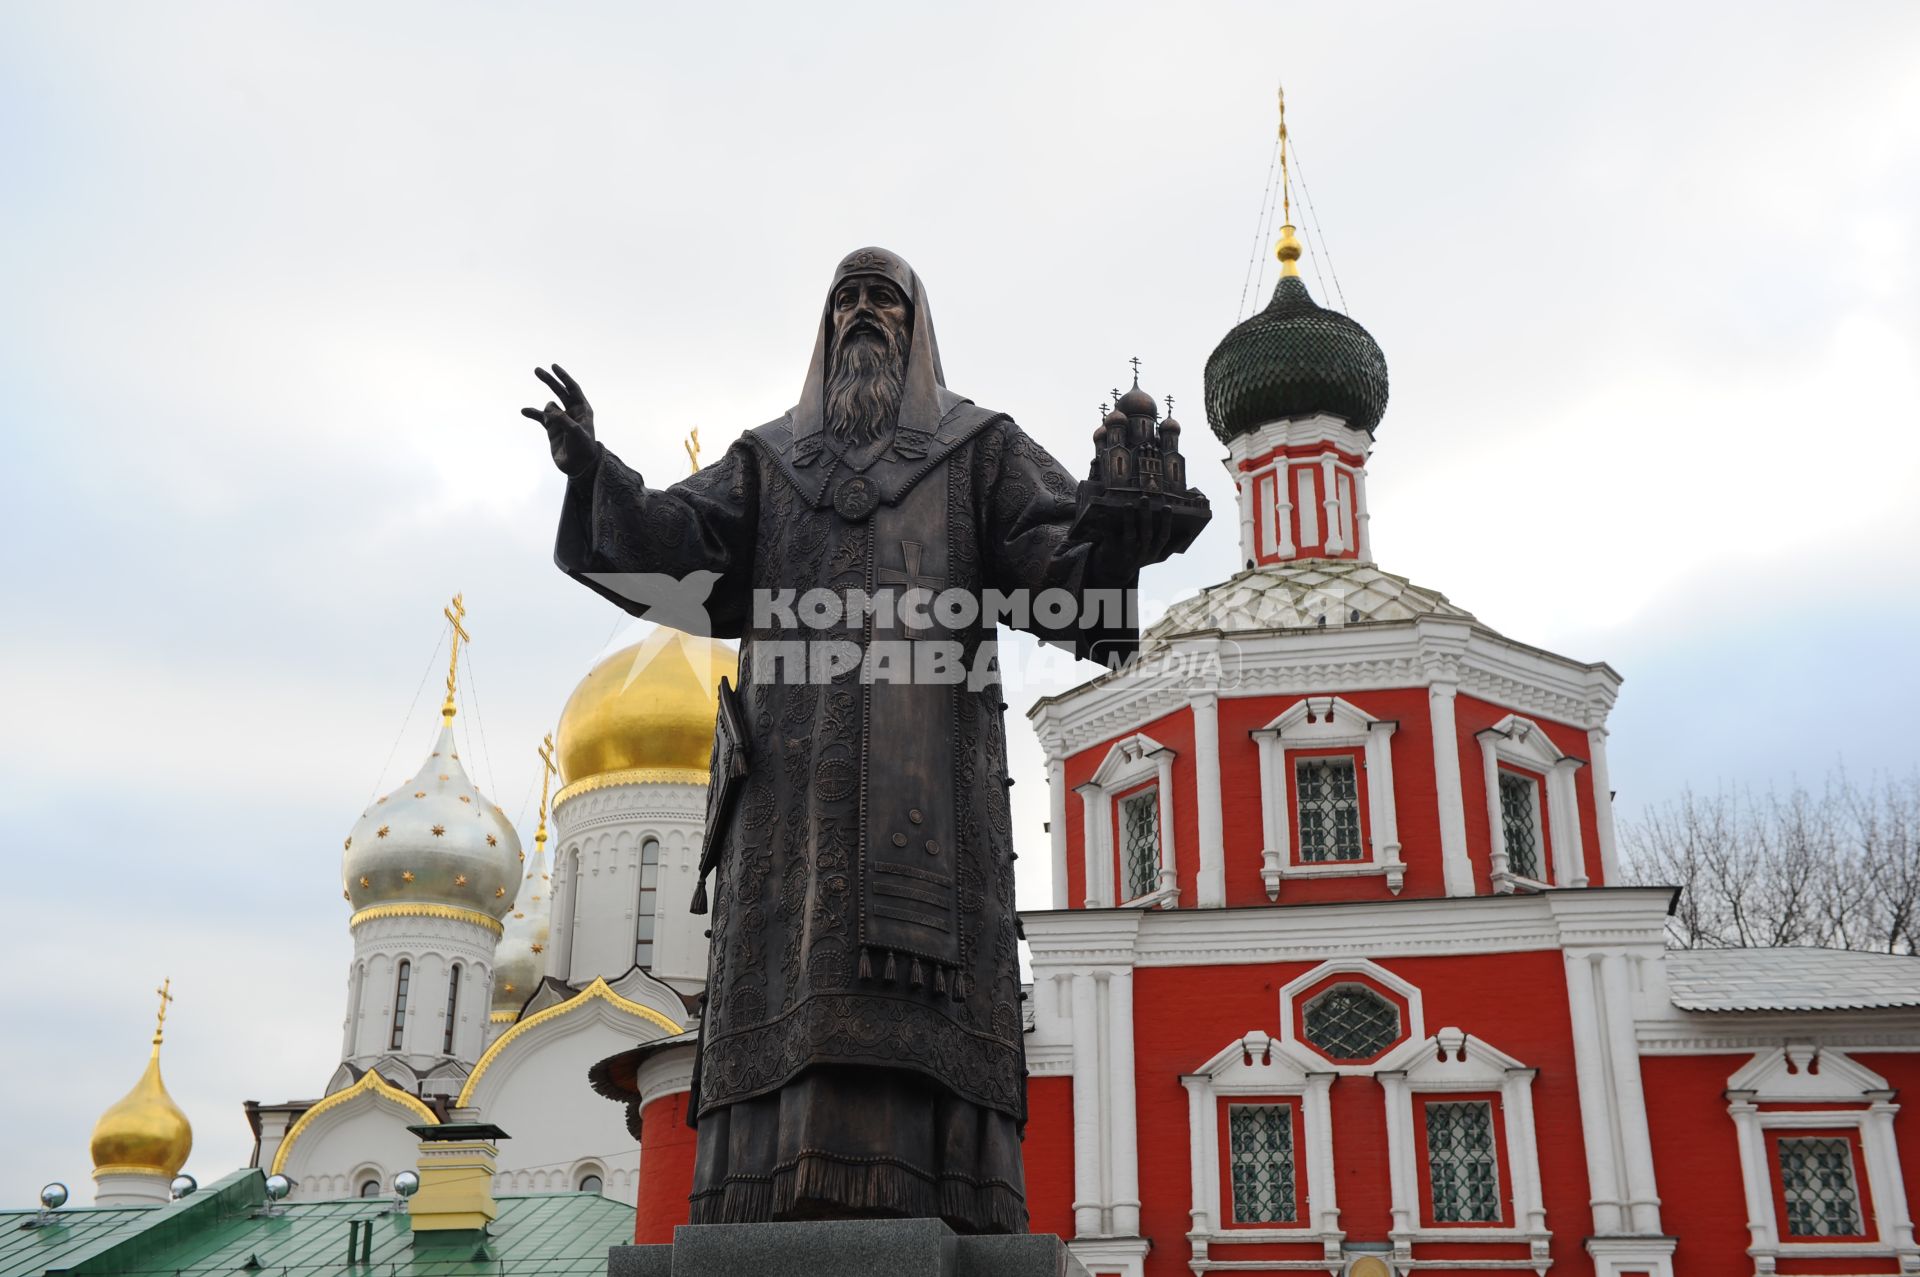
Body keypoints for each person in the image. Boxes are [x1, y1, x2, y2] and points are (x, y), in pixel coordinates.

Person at [523, 247, 1181, 1233]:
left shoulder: (978, 447)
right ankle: (760, 1191)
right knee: (775, 968)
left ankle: (936, 1183)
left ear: (917, 329)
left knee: (922, 983)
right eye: (845, 299)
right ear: (823, 326)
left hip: (930, 789)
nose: (862, 314)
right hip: (783, 791)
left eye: (884, 298)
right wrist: (596, 470)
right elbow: (677, 539)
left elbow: (1062, 564)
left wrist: (1122, 520)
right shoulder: (771, 456)